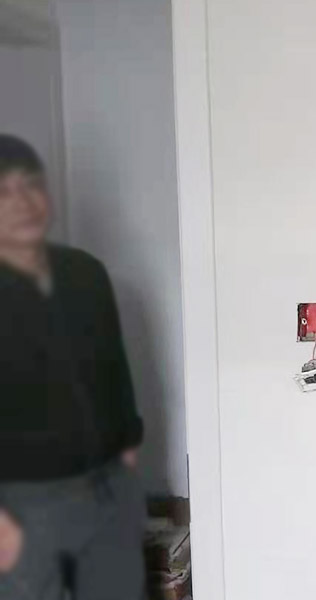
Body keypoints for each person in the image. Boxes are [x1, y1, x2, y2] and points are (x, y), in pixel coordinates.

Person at [0, 135, 146, 599]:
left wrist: (127, 449)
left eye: (31, 185)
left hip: (108, 488)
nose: (22, 202)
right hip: (24, 506)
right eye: (3, 191)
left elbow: (114, 367)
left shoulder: (86, 273)